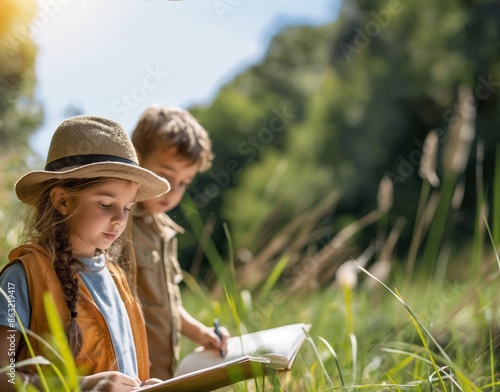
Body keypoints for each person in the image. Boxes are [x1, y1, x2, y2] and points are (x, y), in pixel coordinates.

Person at [0, 115, 171, 391]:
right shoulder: (21, 277)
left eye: (127, 208)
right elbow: (3, 377)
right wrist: (80, 386)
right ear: (63, 200)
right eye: (105, 203)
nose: (119, 219)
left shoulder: (117, 279)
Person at [125, 106, 229, 380]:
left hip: (162, 376)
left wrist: (200, 333)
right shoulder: (117, 224)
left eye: (183, 182)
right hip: (125, 375)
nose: (173, 191)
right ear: (136, 159)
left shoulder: (164, 232)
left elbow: (166, 306)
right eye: (165, 176)